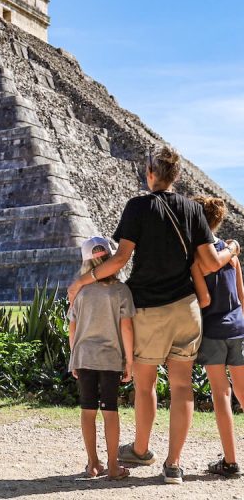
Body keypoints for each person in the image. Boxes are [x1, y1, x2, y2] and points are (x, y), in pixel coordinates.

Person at [67, 145, 241, 484]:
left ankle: (142, 449)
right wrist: (233, 249)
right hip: (186, 310)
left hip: (149, 308)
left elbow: (119, 261)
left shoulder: (138, 207)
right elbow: (207, 262)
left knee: (145, 384)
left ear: (150, 174)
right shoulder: (192, 210)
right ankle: (174, 464)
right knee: (182, 386)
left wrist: (82, 282)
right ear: (176, 176)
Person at [68, 236, 135, 481]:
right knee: (110, 411)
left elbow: (72, 329)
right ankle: (114, 466)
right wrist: (129, 361)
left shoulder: (81, 291)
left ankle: (93, 463)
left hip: (84, 356)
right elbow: (126, 328)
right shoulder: (121, 290)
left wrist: (73, 357)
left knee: (87, 410)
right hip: (110, 359)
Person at [191, 196, 244, 478]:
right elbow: (242, 296)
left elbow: (204, 299)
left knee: (221, 394)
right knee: (243, 391)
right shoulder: (231, 253)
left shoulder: (197, 258)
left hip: (213, 331)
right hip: (239, 327)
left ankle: (231, 461)